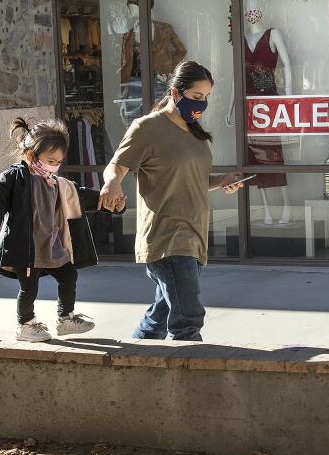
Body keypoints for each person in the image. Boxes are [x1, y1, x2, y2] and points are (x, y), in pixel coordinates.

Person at [99, 61, 244, 341]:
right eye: (197, 96)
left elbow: (194, 180)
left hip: (194, 234)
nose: (202, 103)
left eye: (206, 97)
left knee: (160, 315)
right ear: (176, 93)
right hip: (167, 237)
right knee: (188, 319)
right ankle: (190, 378)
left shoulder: (195, 133)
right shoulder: (147, 128)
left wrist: (222, 181)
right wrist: (112, 183)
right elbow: (116, 165)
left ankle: (134, 359)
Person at [0, 117, 126, 342]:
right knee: (29, 288)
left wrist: (111, 203)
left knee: (68, 276)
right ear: (31, 156)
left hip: (51, 245)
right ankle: (25, 324)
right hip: (26, 248)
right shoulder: (14, 178)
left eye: (58, 162)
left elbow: (80, 196)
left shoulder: (57, 183)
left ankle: (65, 319)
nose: (54, 166)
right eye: (50, 160)